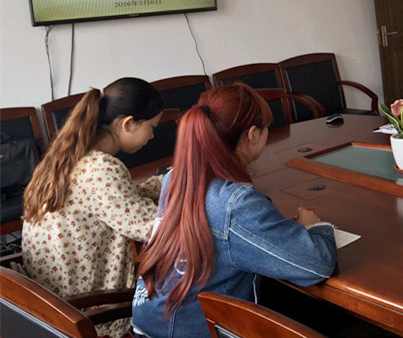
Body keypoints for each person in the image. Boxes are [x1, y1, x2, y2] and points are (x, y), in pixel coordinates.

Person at [131, 84, 337, 338]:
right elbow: (316, 265)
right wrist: (314, 226)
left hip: (149, 324)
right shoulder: (236, 203)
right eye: (266, 128)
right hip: (192, 329)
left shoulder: (174, 179)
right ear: (252, 135)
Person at [22, 77, 164, 338]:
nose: (153, 136)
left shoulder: (68, 157)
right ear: (127, 123)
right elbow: (157, 228)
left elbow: (116, 200)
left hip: (51, 305)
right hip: (87, 312)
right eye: (152, 127)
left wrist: (165, 181)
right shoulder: (102, 169)